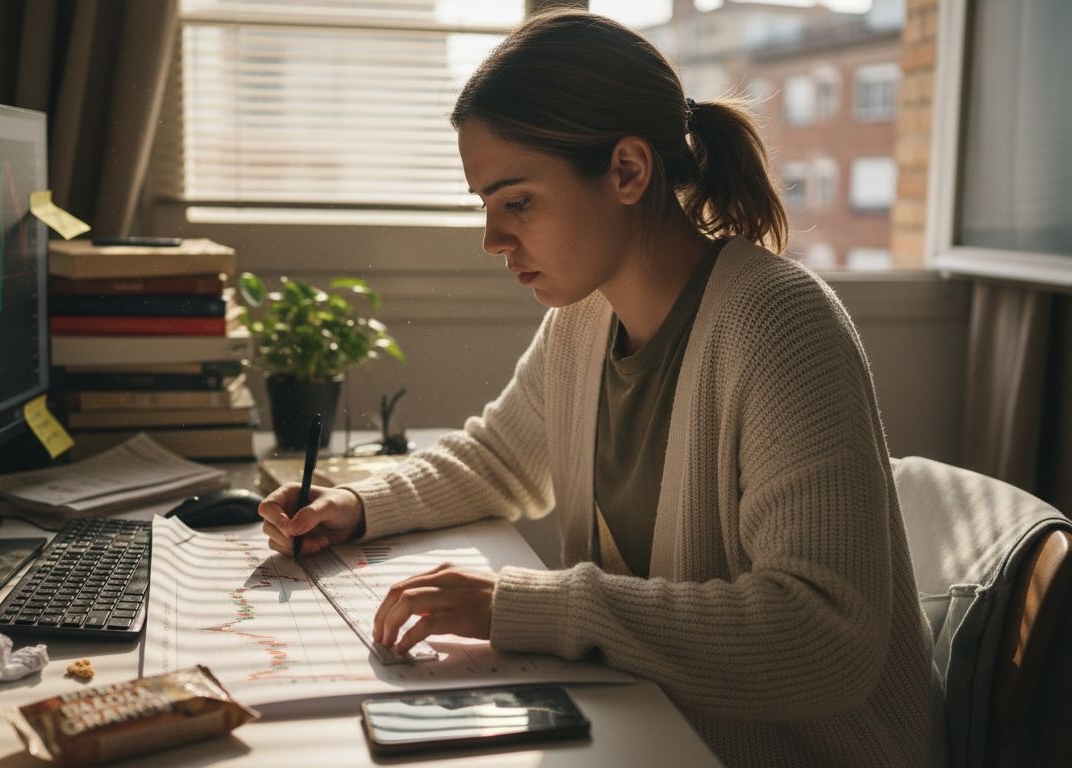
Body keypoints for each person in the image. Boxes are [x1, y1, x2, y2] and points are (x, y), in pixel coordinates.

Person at [259, 9, 943, 767]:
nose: (492, 240)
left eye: (517, 201)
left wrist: (518, 605)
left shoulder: (780, 327)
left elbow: (823, 639)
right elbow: (499, 459)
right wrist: (354, 508)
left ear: (627, 170)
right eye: (484, 205)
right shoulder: (585, 316)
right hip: (655, 733)